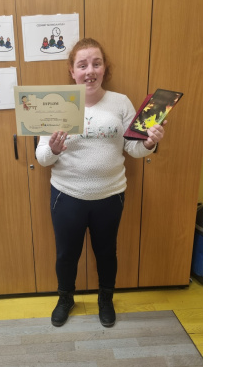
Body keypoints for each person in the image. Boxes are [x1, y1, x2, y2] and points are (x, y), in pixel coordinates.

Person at [35, 38, 167, 328]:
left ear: (105, 68)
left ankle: (105, 299)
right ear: (72, 71)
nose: (90, 71)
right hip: (67, 196)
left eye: (96, 63)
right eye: (82, 65)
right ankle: (65, 299)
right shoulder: (56, 103)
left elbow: (133, 149)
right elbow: (42, 157)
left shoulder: (120, 103)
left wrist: (149, 143)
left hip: (110, 196)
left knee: (107, 253)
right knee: (66, 254)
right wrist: (53, 150)